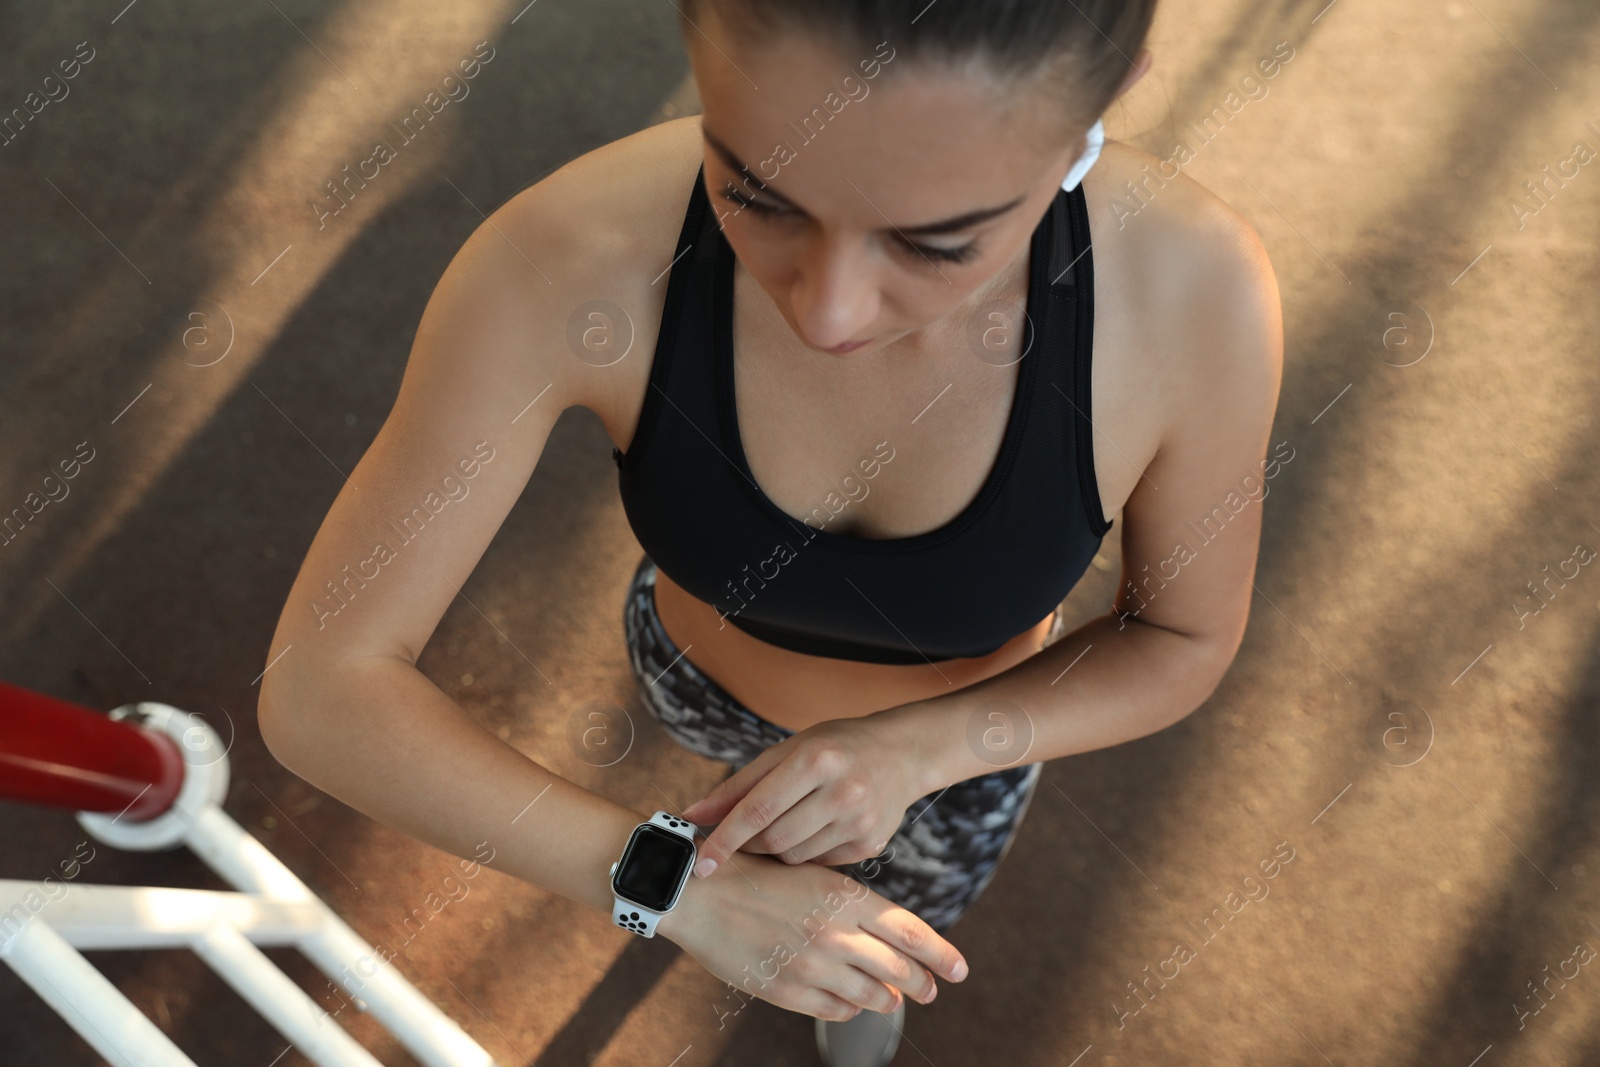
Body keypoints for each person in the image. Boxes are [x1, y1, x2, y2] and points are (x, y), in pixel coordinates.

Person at [259, 0, 1283, 1063]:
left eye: (939, 242)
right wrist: (666, 882)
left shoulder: (1194, 294)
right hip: (694, 683)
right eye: (753, 191)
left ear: (1099, 110)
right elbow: (321, 684)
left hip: (967, 757)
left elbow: (1178, 635)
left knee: (877, 966)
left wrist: (914, 752)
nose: (830, 312)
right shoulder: (567, 253)